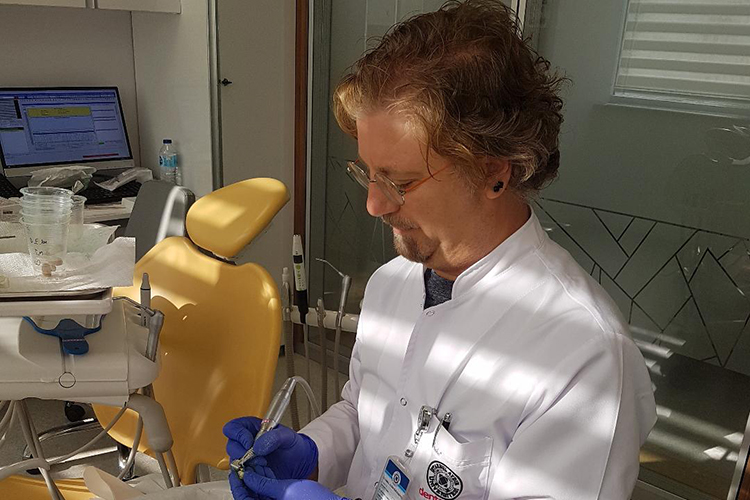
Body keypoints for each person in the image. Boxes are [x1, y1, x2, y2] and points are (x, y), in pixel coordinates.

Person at [224, 1, 656, 499]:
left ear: (494, 173)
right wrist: (313, 452)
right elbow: (369, 412)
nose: (373, 204)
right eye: (368, 172)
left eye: (401, 181)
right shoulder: (392, 284)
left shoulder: (583, 356)